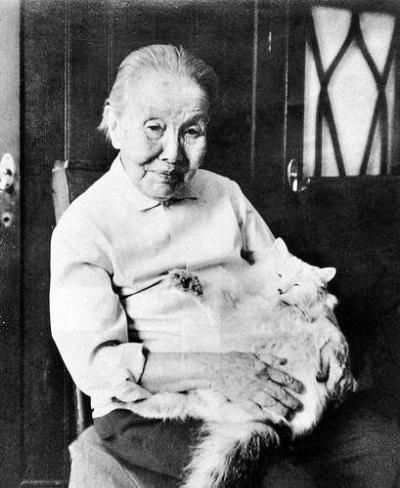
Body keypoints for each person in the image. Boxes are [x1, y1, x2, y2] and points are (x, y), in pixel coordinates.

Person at [50, 44, 400, 487]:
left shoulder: (224, 194)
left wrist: (326, 330)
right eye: (154, 128)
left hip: (268, 380)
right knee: (284, 482)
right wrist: (223, 369)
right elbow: (96, 363)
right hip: (158, 409)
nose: (173, 153)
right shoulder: (84, 227)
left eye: (191, 132)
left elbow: (283, 272)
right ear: (115, 124)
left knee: (386, 447)